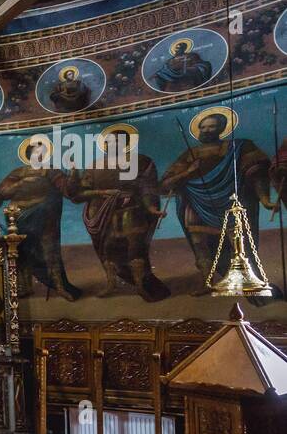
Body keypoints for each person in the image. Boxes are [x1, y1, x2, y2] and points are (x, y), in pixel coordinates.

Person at [160, 110, 275, 293]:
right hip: (196, 205)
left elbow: (256, 170)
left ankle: (246, 281)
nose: (206, 130)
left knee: (239, 243)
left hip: (230, 203)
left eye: (211, 126)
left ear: (221, 128)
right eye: (203, 127)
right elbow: (166, 184)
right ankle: (208, 283)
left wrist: (265, 199)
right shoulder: (190, 154)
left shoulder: (239, 146)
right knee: (200, 245)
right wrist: (188, 173)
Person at [65, 128, 169, 301]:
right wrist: (79, 177)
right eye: (108, 142)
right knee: (108, 250)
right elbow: (78, 195)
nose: (110, 144)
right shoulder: (95, 166)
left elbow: (147, 189)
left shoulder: (140, 161)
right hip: (104, 215)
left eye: (115, 141)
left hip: (132, 211)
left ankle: (141, 285)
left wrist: (152, 209)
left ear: (125, 143)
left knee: (136, 249)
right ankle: (111, 284)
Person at [0, 137, 81, 301]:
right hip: (19, 219)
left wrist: (73, 173)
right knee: (22, 251)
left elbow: (68, 190)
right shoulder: (18, 173)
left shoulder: (50, 171)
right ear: (29, 154)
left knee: (50, 251)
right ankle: (23, 286)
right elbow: (3, 193)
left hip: (45, 218)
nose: (40, 156)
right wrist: (21, 184)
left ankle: (60, 286)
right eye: (37, 153)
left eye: (43, 153)